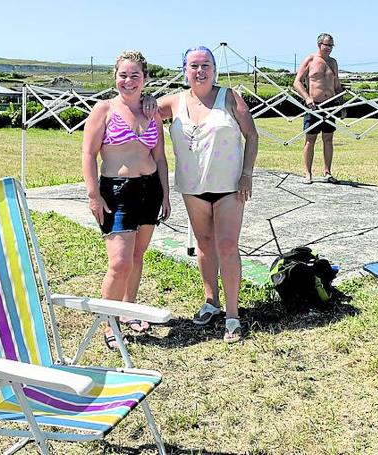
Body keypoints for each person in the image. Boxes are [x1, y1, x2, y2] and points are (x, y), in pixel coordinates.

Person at [157, 46, 258, 343]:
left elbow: (251, 135)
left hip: (229, 187)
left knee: (226, 245)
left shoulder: (230, 97)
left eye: (205, 65)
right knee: (203, 244)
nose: (200, 71)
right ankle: (211, 301)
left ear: (214, 69)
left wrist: (246, 174)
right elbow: (140, 109)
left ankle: (232, 314)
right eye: (193, 66)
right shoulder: (174, 101)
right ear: (184, 70)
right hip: (192, 187)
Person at [82, 50, 171, 350]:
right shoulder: (103, 110)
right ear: (115, 77)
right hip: (116, 192)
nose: (128, 81)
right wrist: (93, 195)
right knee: (119, 263)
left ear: (145, 78)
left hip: (149, 191)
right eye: (123, 75)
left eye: (135, 75)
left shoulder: (151, 111)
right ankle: (110, 322)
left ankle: (129, 310)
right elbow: (88, 154)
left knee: (136, 257)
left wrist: (166, 194)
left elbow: (159, 156)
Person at [293, 33, 343, 184]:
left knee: (328, 139)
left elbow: (337, 85)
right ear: (319, 44)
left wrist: (342, 105)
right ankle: (308, 173)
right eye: (326, 45)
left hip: (331, 106)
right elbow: (297, 82)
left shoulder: (333, 62)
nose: (329, 48)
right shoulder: (310, 59)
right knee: (310, 140)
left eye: (331, 46)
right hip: (313, 105)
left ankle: (327, 172)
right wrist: (307, 98)